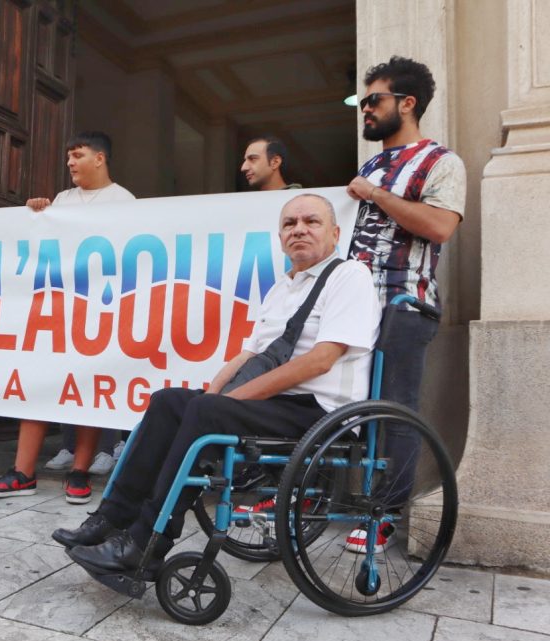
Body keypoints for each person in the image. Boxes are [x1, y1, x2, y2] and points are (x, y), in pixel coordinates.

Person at [56, 194, 380, 582]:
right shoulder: (283, 288)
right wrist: (214, 392)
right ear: (280, 237)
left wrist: (228, 402)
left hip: (320, 410)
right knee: (169, 401)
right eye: (290, 224)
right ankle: (111, 518)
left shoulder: (350, 276)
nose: (299, 230)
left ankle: (146, 542)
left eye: (311, 221)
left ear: (335, 232)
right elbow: (247, 355)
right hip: (275, 402)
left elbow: (320, 360)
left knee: (208, 412)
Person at [343, 56, 465, 553]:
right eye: (363, 102)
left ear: (406, 103)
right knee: (331, 398)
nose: (365, 110)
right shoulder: (369, 164)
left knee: (395, 409)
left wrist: (375, 195)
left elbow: (439, 227)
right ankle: (306, 497)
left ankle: (385, 513)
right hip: (353, 306)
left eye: (374, 100)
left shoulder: (441, 161)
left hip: (404, 305)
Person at [0, 131, 135, 504]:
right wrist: (38, 211)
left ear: (99, 159)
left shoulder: (125, 201)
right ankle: (23, 472)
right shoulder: (62, 200)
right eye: (69, 155)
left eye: (78, 155)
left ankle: (80, 471)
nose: (70, 162)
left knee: (86, 386)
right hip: (55, 306)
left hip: (99, 306)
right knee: (36, 382)